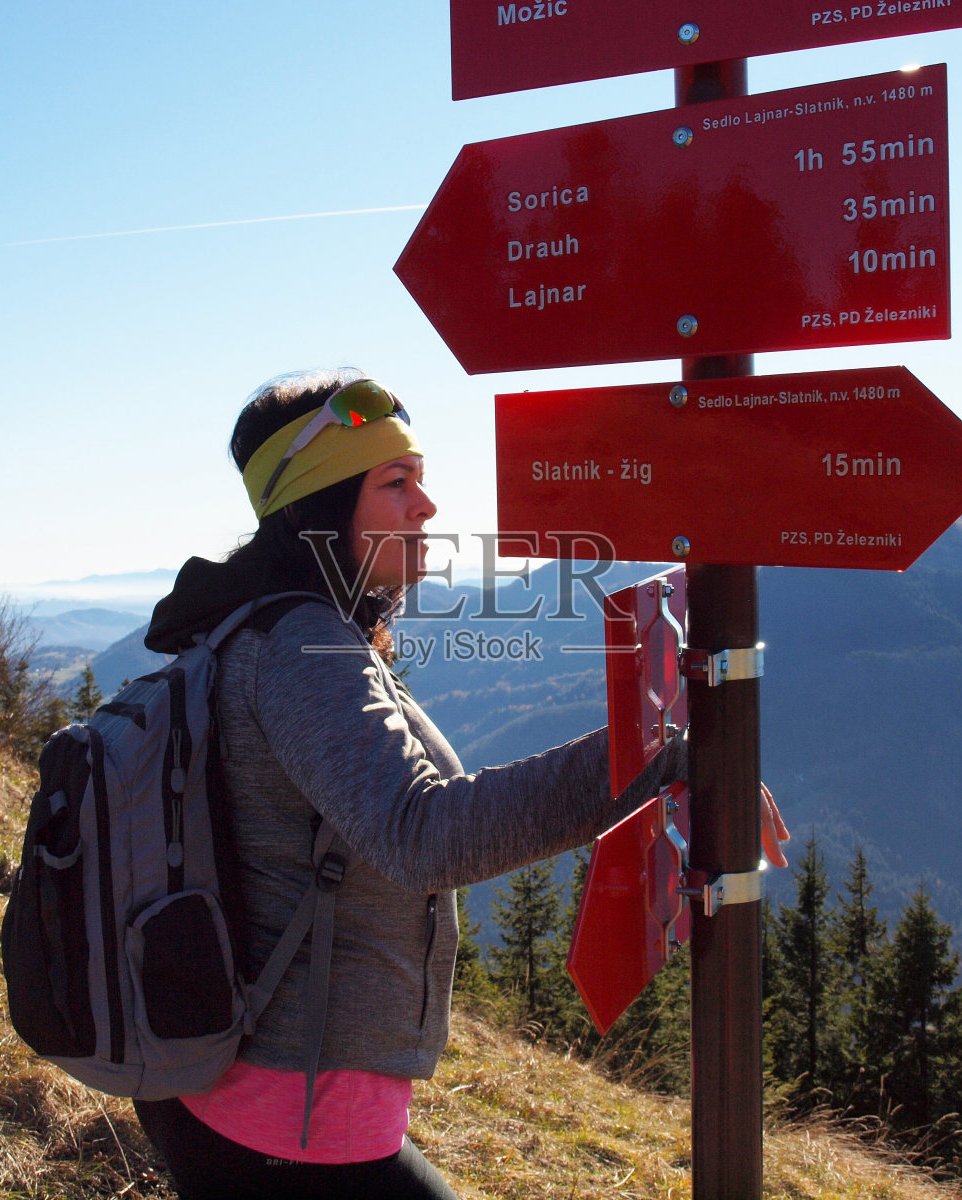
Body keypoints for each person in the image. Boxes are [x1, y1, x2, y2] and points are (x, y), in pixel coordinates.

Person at [132, 368, 689, 1200]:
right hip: (286, 1114)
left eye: (421, 479)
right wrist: (656, 758)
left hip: (253, 1089)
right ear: (322, 507)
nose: (427, 506)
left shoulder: (274, 628)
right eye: (397, 483)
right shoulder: (298, 647)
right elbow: (423, 834)